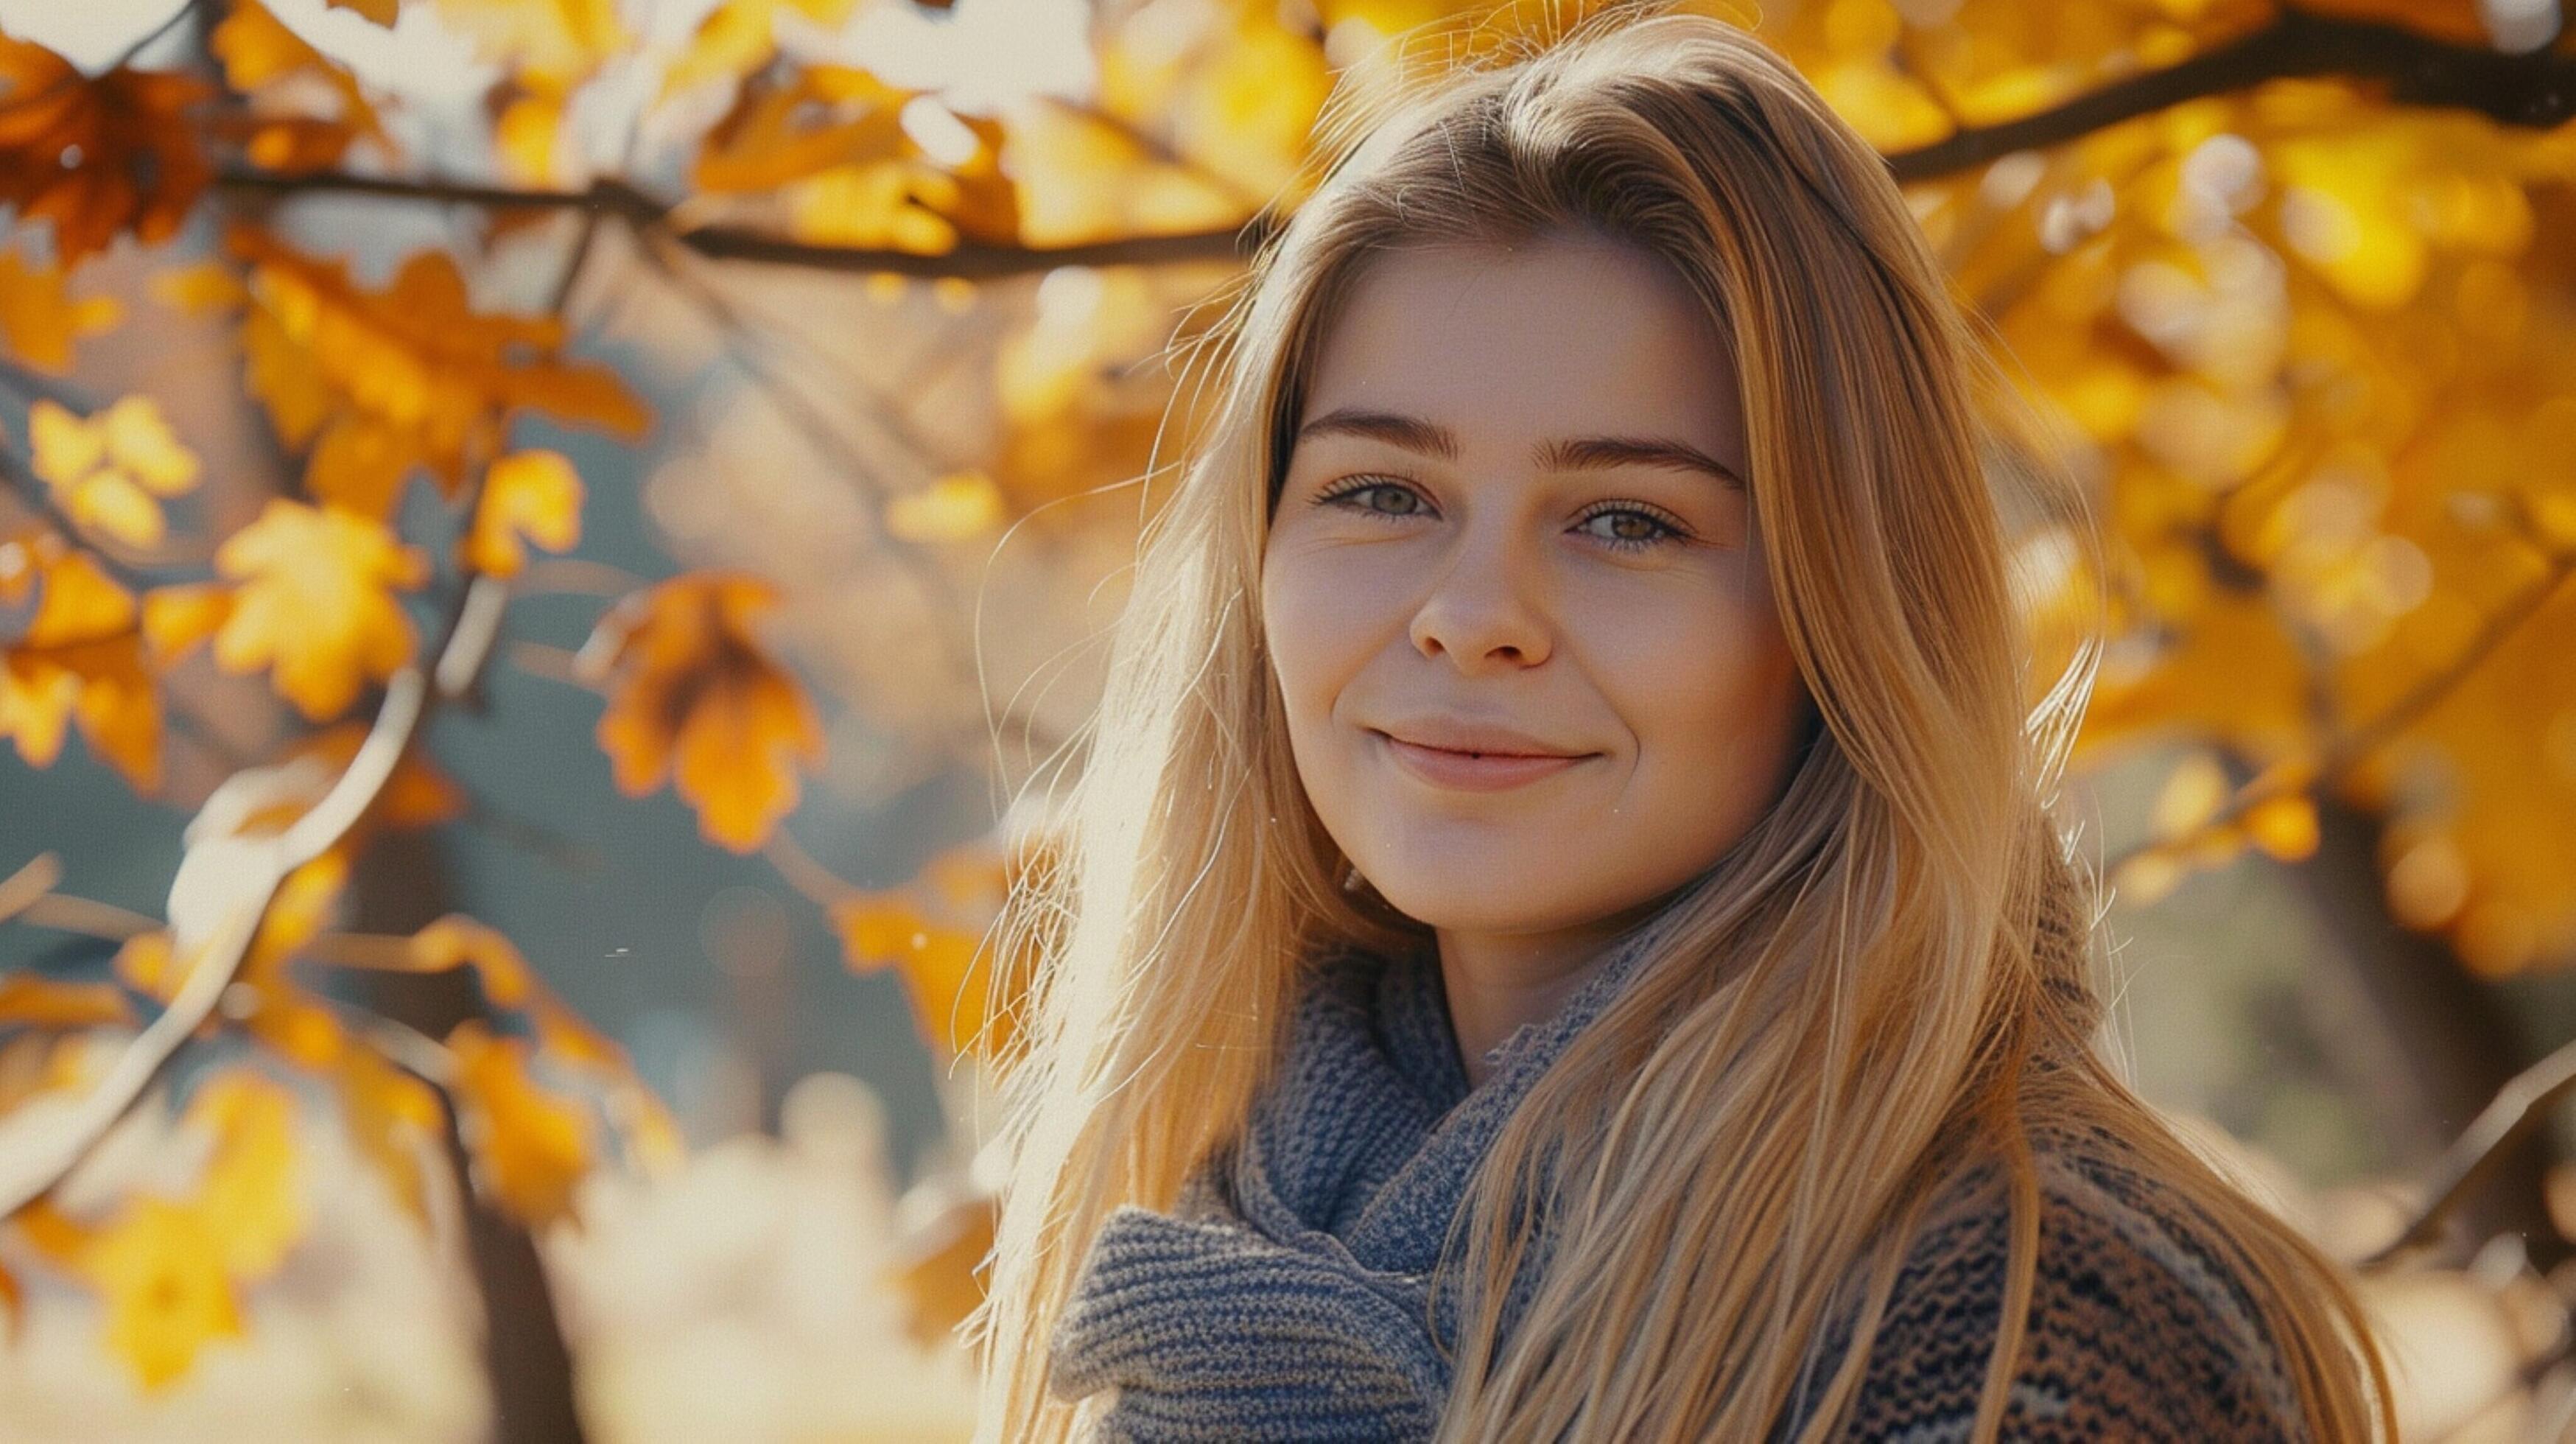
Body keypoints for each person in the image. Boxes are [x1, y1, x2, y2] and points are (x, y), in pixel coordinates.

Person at [962, 4, 2395, 1440]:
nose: (1472, 613)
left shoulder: (2041, 1320)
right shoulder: (1218, 1286)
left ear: (1845, 613)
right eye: (1383, 491)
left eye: (1628, 518)